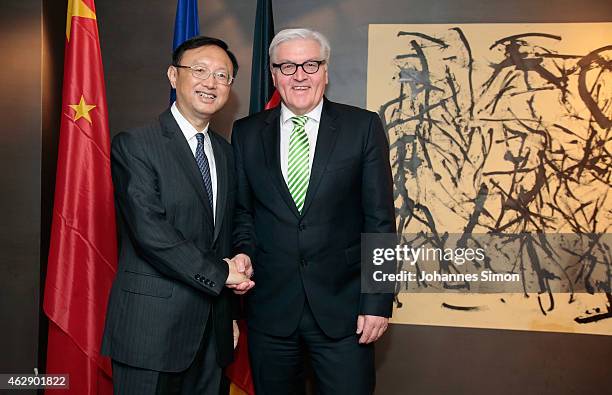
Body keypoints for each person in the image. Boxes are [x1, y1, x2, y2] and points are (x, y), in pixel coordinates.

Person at [231, 28, 396, 394]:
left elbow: (381, 222)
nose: (300, 75)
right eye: (287, 66)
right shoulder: (245, 133)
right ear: (273, 75)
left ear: (326, 70)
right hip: (270, 312)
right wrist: (242, 252)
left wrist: (378, 301)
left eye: (310, 64)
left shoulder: (362, 127)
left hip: (346, 313)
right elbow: (242, 213)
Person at [101, 36, 254, 395]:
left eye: (222, 75)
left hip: (212, 335)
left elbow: (229, 229)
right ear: (173, 76)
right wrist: (222, 274)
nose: (211, 82)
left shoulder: (226, 153)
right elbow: (150, 232)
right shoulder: (136, 145)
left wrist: (231, 302)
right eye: (199, 70)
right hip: (150, 333)